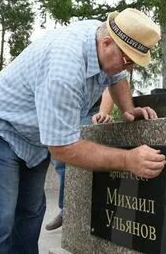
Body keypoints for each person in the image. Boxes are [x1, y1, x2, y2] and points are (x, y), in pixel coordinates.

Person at [0, 8, 166, 253]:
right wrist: (127, 159)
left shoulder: (104, 36)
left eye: (135, 63)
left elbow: (118, 76)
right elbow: (63, 148)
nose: (131, 69)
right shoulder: (65, 69)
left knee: (30, 213)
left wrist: (127, 109)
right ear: (105, 44)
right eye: (128, 60)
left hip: (33, 136)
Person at [45, 88, 115, 231]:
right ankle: (66, 208)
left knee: (79, 155)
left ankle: (73, 211)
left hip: (91, 110)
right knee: (60, 161)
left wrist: (103, 112)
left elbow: (111, 85)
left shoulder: (109, 67)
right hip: (69, 107)